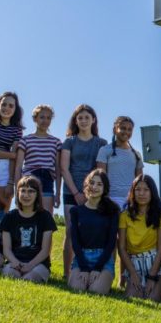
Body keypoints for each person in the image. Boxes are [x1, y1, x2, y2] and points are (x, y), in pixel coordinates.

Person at [60, 104, 107, 279]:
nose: (84, 121)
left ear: (93, 120)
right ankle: (66, 273)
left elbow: (102, 171)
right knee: (70, 231)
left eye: (87, 117)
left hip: (94, 193)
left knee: (91, 230)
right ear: (75, 121)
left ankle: (92, 269)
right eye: (80, 118)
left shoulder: (101, 143)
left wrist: (89, 194)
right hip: (71, 191)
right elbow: (64, 169)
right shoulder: (69, 141)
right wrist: (77, 193)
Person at [117, 174, 161, 301]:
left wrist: (151, 277)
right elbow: (122, 248)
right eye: (138, 189)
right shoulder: (124, 215)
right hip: (134, 264)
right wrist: (133, 274)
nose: (142, 193)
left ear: (152, 192)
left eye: (146, 190)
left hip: (156, 264)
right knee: (132, 298)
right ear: (132, 192)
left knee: (152, 298)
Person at [68, 169, 120, 294]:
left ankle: (104, 278)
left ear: (104, 188)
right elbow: (75, 242)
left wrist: (98, 268)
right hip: (81, 258)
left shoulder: (112, 211)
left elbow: (111, 242)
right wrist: (84, 267)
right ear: (86, 185)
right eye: (91, 183)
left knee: (96, 291)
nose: (94, 187)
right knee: (77, 289)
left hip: (103, 259)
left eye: (99, 184)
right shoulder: (76, 211)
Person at [0, 175, 57, 283]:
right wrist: (15, 262)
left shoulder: (45, 217)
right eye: (23, 191)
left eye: (31, 191)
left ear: (37, 195)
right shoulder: (9, 217)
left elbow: (45, 251)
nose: (26, 195)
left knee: (29, 279)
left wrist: (30, 265)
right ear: (18, 193)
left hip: (38, 264)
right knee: (11, 276)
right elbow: (6, 249)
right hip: (15, 262)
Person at [15, 104, 62, 213]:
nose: (45, 121)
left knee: (45, 216)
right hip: (29, 179)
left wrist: (58, 194)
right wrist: (17, 191)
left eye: (48, 118)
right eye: (42, 117)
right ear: (35, 118)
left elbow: (58, 169)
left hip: (47, 179)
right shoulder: (25, 140)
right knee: (27, 214)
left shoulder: (56, 142)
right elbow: (18, 167)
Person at [96, 115, 144, 208]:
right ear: (115, 130)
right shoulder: (105, 150)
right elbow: (101, 177)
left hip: (131, 201)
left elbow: (140, 181)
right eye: (123, 128)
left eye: (130, 129)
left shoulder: (136, 154)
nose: (126, 132)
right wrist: (104, 199)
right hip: (110, 200)